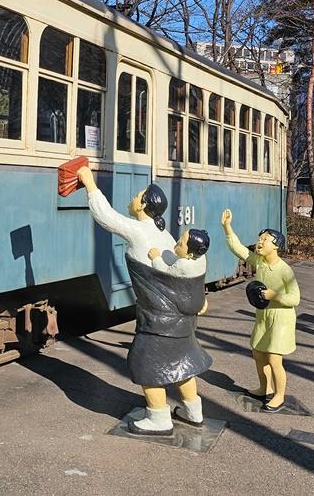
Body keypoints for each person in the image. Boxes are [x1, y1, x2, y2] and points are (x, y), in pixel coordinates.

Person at [74, 166, 211, 436]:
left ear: (144, 204)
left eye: (138, 195)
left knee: (148, 363)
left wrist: (90, 184)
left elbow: (106, 217)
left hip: (158, 320)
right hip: (181, 321)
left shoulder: (139, 231)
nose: (133, 197)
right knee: (182, 363)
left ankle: (159, 418)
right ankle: (193, 410)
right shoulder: (165, 236)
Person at [221, 209, 300, 413]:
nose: (260, 242)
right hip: (263, 315)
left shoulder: (284, 270)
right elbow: (238, 249)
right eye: (260, 239)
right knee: (258, 353)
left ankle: (279, 395)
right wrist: (227, 226)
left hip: (281, 318)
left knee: (274, 358)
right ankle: (265, 388)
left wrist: (274, 296)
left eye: (265, 239)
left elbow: (295, 298)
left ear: (276, 246)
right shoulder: (260, 262)